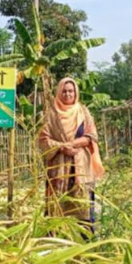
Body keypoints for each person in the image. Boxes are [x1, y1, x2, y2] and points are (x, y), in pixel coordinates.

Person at [39, 77, 105, 235]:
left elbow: (92, 136)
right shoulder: (51, 114)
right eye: (64, 91)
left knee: (82, 205)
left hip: (81, 166)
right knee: (56, 205)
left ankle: (86, 240)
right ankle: (54, 242)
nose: (68, 94)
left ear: (76, 93)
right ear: (59, 92)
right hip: (58, 169)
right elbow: (43, 140)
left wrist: (71, 144)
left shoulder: (83, 111)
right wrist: (62, 148)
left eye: (71, 91)